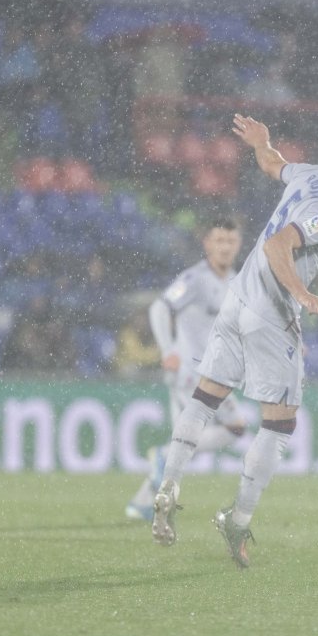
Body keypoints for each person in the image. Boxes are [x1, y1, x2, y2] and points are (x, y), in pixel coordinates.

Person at [150, 113, 318, 568]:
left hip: (235, 300)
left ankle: (169, 483)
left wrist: (260, 142)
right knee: (280, 423)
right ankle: (238, 518)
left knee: (205, 397)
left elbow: (273, 165)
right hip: (270, 314)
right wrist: (302, 294)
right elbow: (278, 245)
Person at [125, 216, 247, 521]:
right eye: (219, 240)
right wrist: (168, 350)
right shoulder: (195, 279)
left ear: (239, 244)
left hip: (215, 374)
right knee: (189, 440)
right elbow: (159, 307)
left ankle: (142, 501)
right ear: (207, 244)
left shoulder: (236, 282)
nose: (225, 247)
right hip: (188, 373)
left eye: (230, 241)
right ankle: (156, 474)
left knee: (228, 430)